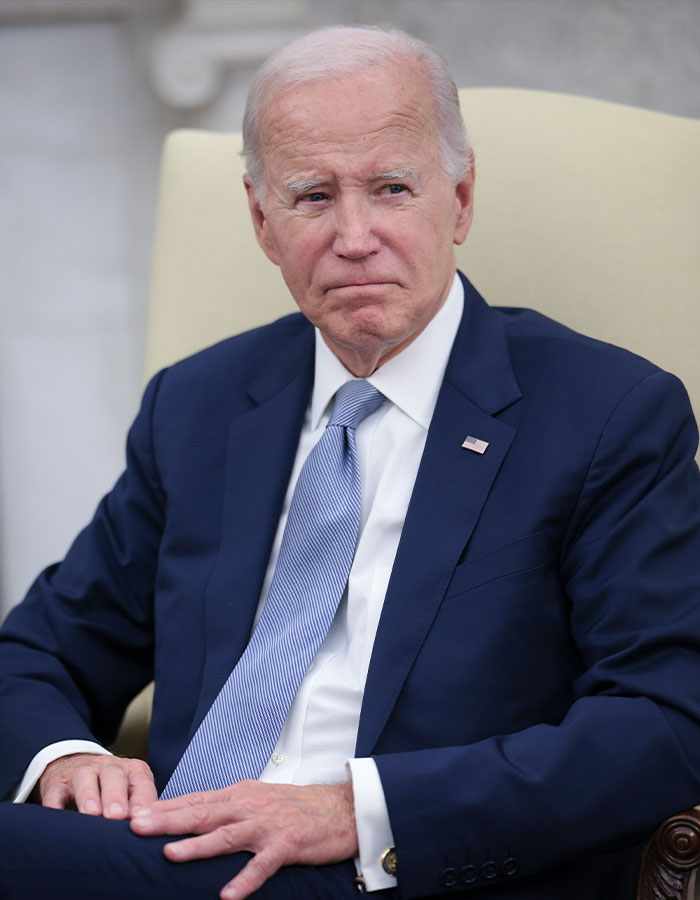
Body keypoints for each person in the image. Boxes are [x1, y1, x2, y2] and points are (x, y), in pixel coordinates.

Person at [1, 23, 700, 900]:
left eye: (392, 188)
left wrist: (357, 811)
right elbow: (40, 651)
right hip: (172, 851)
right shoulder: (200, 404)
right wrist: (65, 757)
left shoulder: (607, 414)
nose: (355, 235)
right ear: (262, 220)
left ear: (462, 198)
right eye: (312, 197)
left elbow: (664, 723)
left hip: (407, 871)